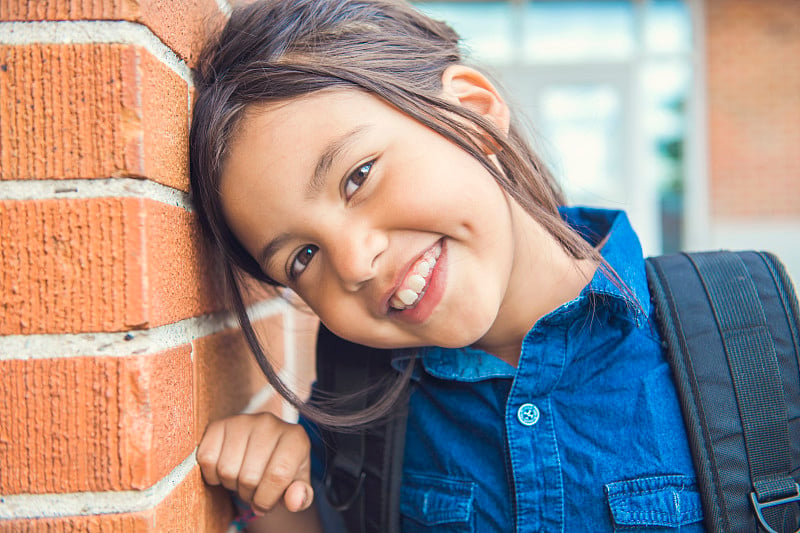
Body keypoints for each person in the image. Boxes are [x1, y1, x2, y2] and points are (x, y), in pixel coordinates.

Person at [189, 1, 704, 531]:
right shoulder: (358, 408)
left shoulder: (740, 346)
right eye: (303, 256)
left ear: (474, 112)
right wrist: (270, 491)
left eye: (358, 176)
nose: (355, 263)